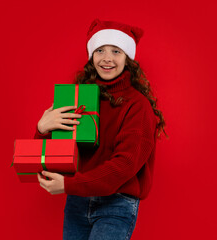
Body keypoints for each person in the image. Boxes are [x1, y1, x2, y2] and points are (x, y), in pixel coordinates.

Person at [34, 19, 167, 240]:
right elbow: (48, 157)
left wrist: (68, 184)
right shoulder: (79, 99)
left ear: (128, 58)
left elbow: (124, 165)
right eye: (100, 50)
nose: (107, 58)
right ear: (91, 56)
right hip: (77, 201)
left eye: (116, 51)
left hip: (116, 204)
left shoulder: (138, 106)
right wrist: (42, 129)